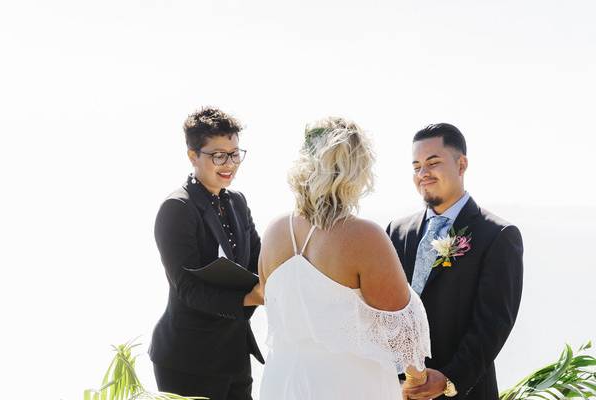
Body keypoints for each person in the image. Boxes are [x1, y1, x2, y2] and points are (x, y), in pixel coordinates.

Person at [258, 117, 431, 400]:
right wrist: (418, 379)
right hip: (347, 385)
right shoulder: (364, 236)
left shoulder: (275, 231)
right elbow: (402, 331)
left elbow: (269, 298)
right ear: (358, 171)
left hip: (282, 381)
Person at [387, 123, 524, 399]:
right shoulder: (396, 231)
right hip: (397, 390)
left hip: (463, 392)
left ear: (461, 165)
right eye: (416, 166)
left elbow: (493, 324)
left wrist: (449, 380)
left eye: (433, 162)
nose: (423, 174)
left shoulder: (498, 235)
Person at [149, 107, 264, 400]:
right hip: (187, 359)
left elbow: (259, 262)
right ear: (192, 155)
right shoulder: (177, 208)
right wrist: (251, 297)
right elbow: (187, 289)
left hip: (235, 351)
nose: (229, 163)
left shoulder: (238, 202)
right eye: (218, 155)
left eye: (235, 153)